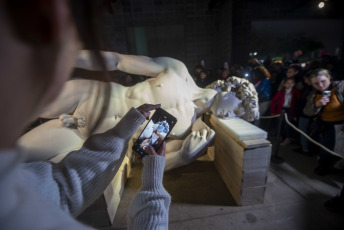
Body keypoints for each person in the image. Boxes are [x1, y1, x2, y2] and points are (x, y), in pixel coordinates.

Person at [0, 1, 170, 229]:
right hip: (91, 97)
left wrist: (125, 134)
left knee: (24, 150)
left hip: (85, 134)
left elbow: (62, 187)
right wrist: (67, 56)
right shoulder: (176, 70)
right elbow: (118, 60)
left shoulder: (18, 189)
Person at [303, 69, 344, 176]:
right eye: (316, 83)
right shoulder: (314, 93)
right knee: (325, 149)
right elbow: (307, 111)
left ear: (329, 78)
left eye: (323, 81)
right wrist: (317, 105)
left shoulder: (340, 88)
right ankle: (323, 167)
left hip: (340, 126)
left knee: (339, 150)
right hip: (325, 125)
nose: (320, 85)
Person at [271, 77, 301, 146]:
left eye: (292, 83)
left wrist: (295, 114)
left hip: (290, 110)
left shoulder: (296, 92)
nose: (290, 85)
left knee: (287, 125)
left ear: (294, 84)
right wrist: (273, 111)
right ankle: (280, 137)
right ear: (284, 84)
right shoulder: (281, 92)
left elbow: (298, 103)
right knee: (279, 124)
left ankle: (287, 138)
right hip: (281, 110)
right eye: (288, 83)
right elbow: (274, 101)